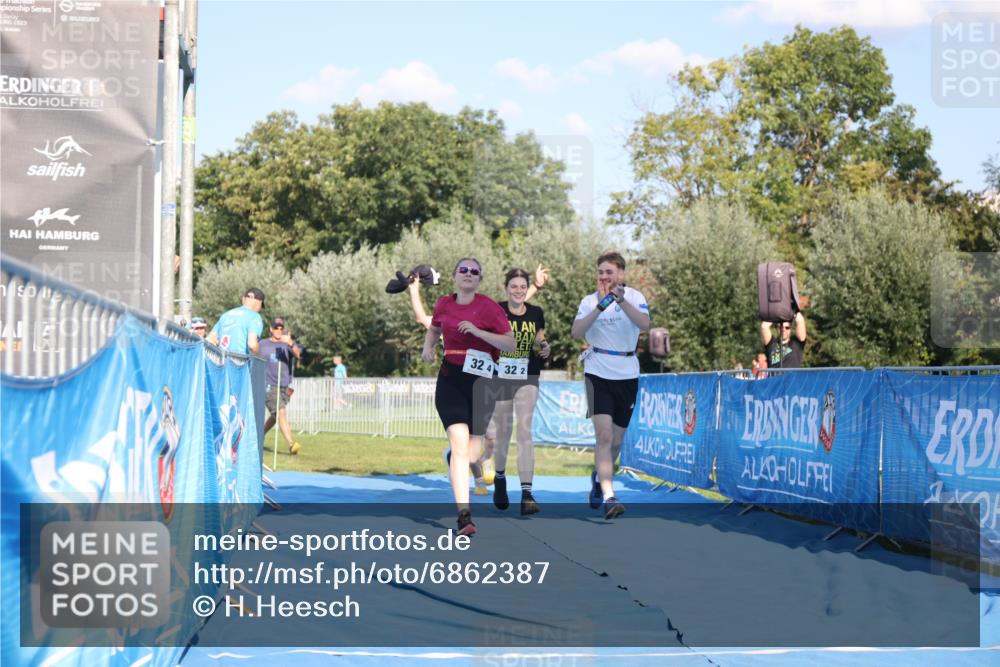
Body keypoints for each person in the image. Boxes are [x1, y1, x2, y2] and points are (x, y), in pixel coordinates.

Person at [409, 264, 549, 495]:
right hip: (465, 379)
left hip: (491, 379)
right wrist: (414, 291)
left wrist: (534, 286)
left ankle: (469, 460)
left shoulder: (484, 314)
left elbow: (516, 303)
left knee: (487, 440)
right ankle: (474, 476)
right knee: (473, 439)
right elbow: (424, 320)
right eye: (463, 271)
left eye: (474, 273)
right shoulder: (447, 316)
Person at [422, 258, 516, 536]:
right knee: (461, 447)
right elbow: (434, 328)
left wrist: (477, 332)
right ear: (454, 277)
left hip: (481, 383)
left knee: (472, 452)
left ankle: (457, 457)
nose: (468, 274)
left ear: (480, 280)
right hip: (450, 378)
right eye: (463, 270)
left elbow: (510, 343)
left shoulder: (489, 307)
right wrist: (428, 348)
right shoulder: (444, 304)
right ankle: (464, 516)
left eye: (474, 271)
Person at [571, 251, 650, 520]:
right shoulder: (588, 301)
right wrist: (601, 306)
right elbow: (576, 332)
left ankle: (598, 477)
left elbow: (644, 324)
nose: (604, 277)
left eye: (609, 272)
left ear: (621, 274)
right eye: (601, 272)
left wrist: (621, 300)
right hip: (597, 371)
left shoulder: (635, 297)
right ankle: (609, 495)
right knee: (603, 436)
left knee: (616, 440)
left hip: (627, 373)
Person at [489, 268, 551, 516]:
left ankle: (527, 493)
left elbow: (539, 336)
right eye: (513, 286)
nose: (518, 291)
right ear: (506, 288)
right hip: (501, 375)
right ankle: (500, 477)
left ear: (527, 289)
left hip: (528, 373)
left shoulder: (536, 312)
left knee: (525, 428)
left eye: (522, 287)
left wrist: (545, 346)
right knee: (503, 431)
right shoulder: (497, 310)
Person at [259, 318, 303, 455]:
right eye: (276, 328)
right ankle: (291, 444)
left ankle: (259, 435)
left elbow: (299, 355)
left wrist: (290, 343)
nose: (278, 330)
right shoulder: (262, 344)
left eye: (280, 328)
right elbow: (253, 355)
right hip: (267, 384)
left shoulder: (286, 344)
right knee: (280, 411)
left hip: (284, 385)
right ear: (270, 329)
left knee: (275, 415)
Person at [206, 288, 265, 355]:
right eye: (261, 306)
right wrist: (258, 353)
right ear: (259, 303)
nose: (260, 309)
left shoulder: (226, 315)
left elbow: (209, 340)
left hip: (221, 361)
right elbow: (252, 345)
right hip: (240, 362)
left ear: (243, 299)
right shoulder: (255, 316)